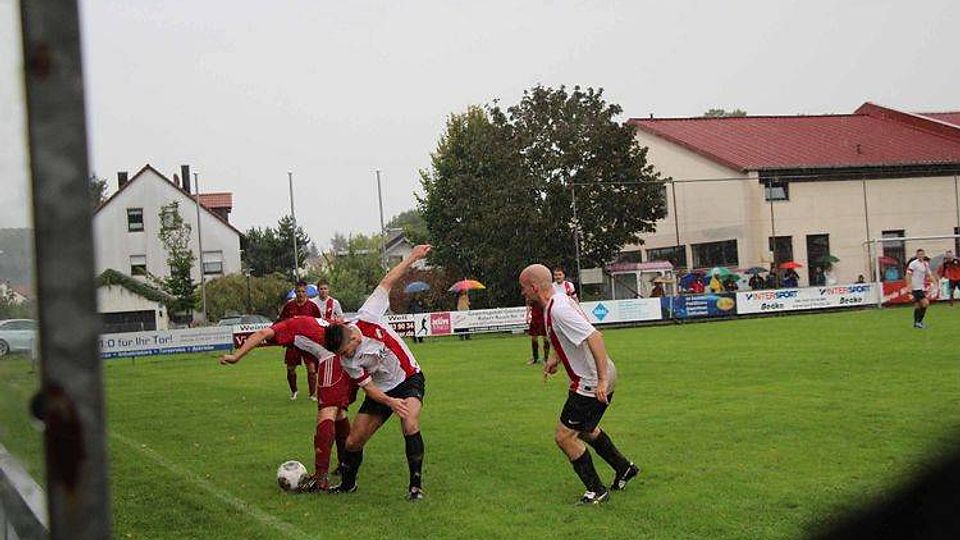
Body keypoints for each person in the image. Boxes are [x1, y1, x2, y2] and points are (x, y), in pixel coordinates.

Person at [519, 263, 640, 506]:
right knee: (584, 430)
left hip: (591, 381)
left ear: (534, 287)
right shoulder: (555, 300)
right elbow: (563, 335)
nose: (522, 293)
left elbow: (595, 336)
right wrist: (554, 358)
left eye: (523, 289)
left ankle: (596, 491)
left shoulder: (558, 308)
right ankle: (624, 468)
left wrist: (601, 380)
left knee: (565, 437)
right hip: (596, 376)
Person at [323, 245, 431, 501]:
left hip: (409, 378)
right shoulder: (347, 361)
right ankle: (348, 484)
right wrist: (390, 401)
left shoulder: (368, 315)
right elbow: (369, 388)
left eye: (345, 350)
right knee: (352, 442)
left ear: (352, 336)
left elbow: (388, 280)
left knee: (410, 422)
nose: (345, 356)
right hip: (383, 391)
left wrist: (413, 257)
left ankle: (415, 487)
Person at [220, 315, 355, 491]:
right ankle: (346, 465)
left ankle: (321, 477)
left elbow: (262, 333)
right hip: (346, 357)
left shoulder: (289, 326)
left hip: (332, 357)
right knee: (339, 413)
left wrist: (236, 356)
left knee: (327, 413)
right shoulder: (308, 320)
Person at [278, 281, 323, 400]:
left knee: (311, 368)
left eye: (303, 291)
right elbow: (281, 321)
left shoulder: (312, 307)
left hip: (308, 342)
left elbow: (319, 322)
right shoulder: (289, 306)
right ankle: (294, 391)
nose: (301, 294)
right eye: (298, 291)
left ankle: (313, 394)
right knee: (291, 368)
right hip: (293, 342)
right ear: (295, 291)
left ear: (306, 292)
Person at [906, 248, 933, 328]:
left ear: (924, 255)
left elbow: (929, 275)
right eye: (919, 254)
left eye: (922, 254)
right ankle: (919, 322)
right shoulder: (913, 264)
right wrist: (909, 287)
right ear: (917, 255)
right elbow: (908, 275)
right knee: (925, 303)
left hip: (921, 287)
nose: (921, 256)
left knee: (918, 305)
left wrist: (933, 283)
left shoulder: (925, 264)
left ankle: (916, 323)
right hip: (915, 287)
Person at [527, 298, 550, 365]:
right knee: (534, 338)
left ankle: (546, 358)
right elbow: (528, 305)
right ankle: (535, 358)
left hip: (543, 318)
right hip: (534, 318)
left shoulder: (543, 293)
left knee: (545, 338)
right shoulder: (531, 295)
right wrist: (527, 315)